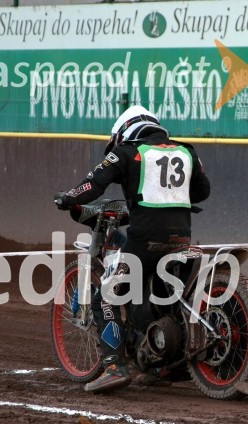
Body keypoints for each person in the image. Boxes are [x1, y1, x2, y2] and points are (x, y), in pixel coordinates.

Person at [55, 105, 211, 393]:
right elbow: (202, 191)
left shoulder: (127, 151)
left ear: (124, 131)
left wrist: (68, 197)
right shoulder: (186, 150)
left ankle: (114, 367)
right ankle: (162, 364)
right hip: (181, 239)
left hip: (144, 240)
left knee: (105, 295)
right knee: (165, 298)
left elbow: (94, 183)